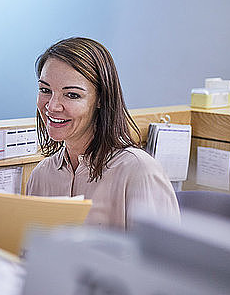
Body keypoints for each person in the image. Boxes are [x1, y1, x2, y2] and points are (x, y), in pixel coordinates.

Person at [26, 37, 179, 230]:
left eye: (72, 95)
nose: (52, 106)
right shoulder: (41, 176)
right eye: (45, 90)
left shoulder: (139, 171)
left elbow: (163, 259)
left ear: (101, 99)